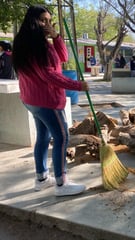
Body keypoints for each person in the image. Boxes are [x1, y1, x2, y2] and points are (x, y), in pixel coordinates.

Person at [12, 5, 89, 197]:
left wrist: (56, 37)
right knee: (62, 138)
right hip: (46, 101)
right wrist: (78, 85)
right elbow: (49, 75)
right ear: (32, 21)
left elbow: (62, 57)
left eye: (49, 21)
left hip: (31, 100)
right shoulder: (36, 46)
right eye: (42, 20)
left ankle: (42, 179)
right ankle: (62, 184)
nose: (47, 24)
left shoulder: (29, 42)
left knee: (44, 137)